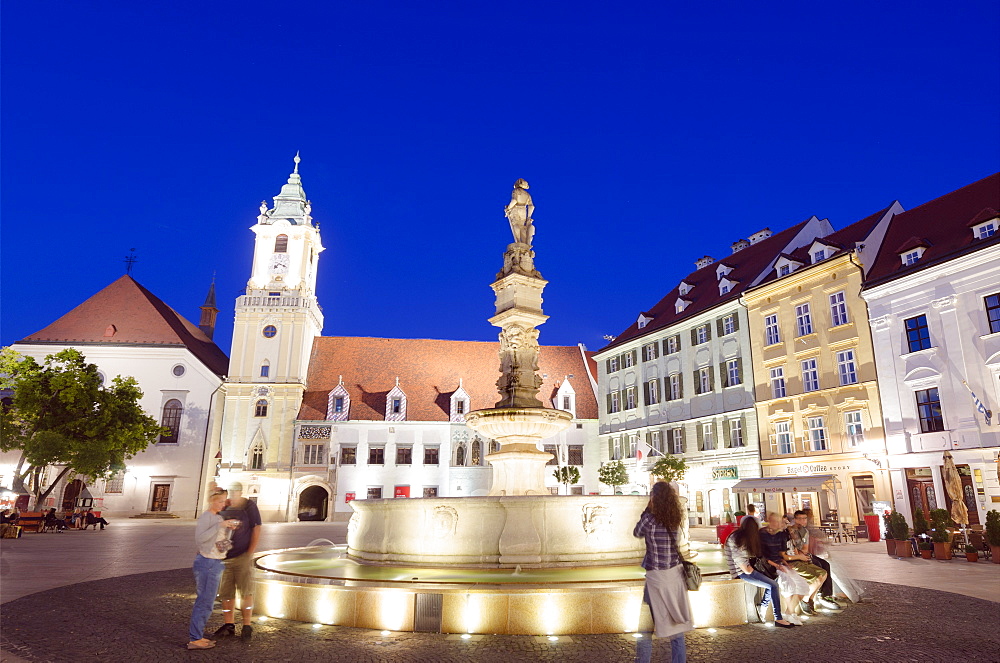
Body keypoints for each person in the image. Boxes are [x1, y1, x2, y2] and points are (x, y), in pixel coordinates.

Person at [632, 482, 693, 663]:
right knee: (677, 626)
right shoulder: (675, 519)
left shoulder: (650, 519)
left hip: (656, 579)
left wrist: (647, 509)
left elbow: (637, 532)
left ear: (654, 498)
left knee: (645, 627)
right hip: (674, 576)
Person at [187, 488, 239, 650]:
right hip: (207, 563)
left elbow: (219, 541)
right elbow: (201, 539)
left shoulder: (217, 517)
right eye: (220, 501)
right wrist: (220, 525)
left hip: (216, 562)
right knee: (204, 601)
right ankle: (195, 639)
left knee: (208, 602)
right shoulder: (206, 517)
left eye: (224, 501)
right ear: (211, 501)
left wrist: (229, 529)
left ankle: (197, 636)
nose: (223, 504)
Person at [213, 482, 262, 641]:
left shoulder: (249, 506)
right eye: (231, 492)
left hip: (242, 555)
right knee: (227, 593)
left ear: (240, 492)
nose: (233, 495)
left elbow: (256, 528)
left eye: (235, 492)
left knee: (245, 591)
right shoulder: (225, 507)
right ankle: (229, 624)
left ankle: (247, 625)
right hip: (225, 556)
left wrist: (250, 552)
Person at [724, 516, 793, 628]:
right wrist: (758, 574)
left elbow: (760, 556)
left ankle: (763, 606)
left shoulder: (747, 537)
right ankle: (778, 618)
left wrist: (776, 565)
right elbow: (744, 567)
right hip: (740, 572)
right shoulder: (736, 538)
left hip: (749, 568)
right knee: (773, 585)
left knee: (773, 577)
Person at [759, 512, 810, 624]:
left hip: (780, 563)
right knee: (789, 584)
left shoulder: (780, 534)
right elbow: (761, 555)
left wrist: (784, 563)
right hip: (769, 565)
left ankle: (789, 612)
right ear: (770, 521)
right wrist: (777, 565)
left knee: (802, 585)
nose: (778, 524)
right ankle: (791, 614)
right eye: (776, 521)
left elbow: (781, 553)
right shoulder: (762, 533)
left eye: (779, 522)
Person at [788, 510, 840, 612]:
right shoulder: (790, 530)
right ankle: (811, 598)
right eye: (800, 519)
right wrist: (799, 554)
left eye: (804, 518)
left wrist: (801, 553)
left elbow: (805, 549)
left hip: (803, 554)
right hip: (794, 557)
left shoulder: (805, 531)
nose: (803, 521)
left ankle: (824, 595)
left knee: (825, 564)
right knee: (819, 565)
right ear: (795, 520)